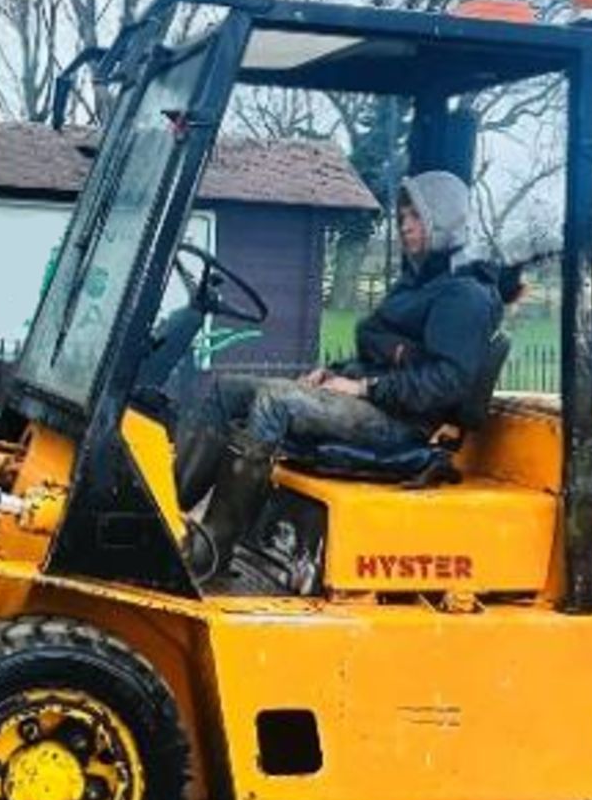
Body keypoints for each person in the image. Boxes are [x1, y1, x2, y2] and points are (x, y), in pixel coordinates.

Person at [174, 170, 505, 581]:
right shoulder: (420, 285)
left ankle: (213, 551)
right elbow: (379, 354)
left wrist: (365, 387)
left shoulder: (464, 296)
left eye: (415, 216)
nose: (403, 224)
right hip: (376, 400)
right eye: (402, 215)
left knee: (274, 402)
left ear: (443, 221)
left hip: (401, 422)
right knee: (229, 391)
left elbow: (443, 384)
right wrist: (335, 374)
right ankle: (166, 513)